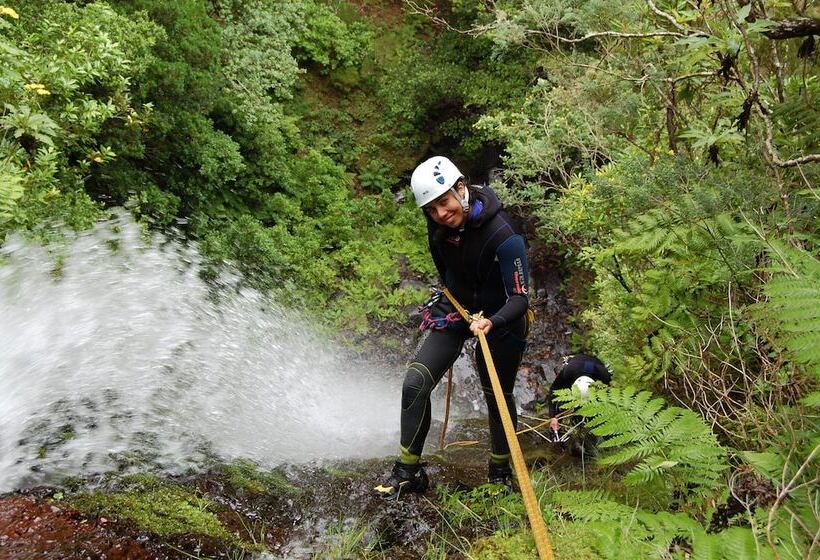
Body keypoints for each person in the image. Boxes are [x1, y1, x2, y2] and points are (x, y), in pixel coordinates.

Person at [374, 156, 531, 498]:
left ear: (461, 189)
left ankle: (500, 472)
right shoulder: (438, 229)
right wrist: (456, 306)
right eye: (431, 210)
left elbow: (520, 297)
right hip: (457, 307)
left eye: (444, 203)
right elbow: (446, 273)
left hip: (502, 315)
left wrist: (493, 319)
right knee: (415, 381)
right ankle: (408, 471)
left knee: (497, 397)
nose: (441, 214)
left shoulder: (505, 234)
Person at [547, 354, 611, 436]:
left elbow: (609, 395)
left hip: (595, 366)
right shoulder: (568, 372)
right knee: (561, 400)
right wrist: (553, 416)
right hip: (575, 364)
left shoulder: (604, 376)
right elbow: (553, 390)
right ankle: (558, 427)